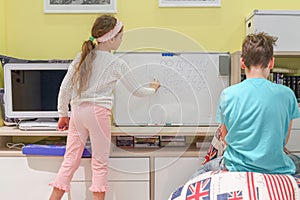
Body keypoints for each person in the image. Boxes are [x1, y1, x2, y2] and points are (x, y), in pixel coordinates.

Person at [49, 15, 160, 200]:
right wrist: (153, 89)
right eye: (120, 37)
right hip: (98, 113)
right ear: (110, 38)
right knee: (99, 163)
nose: (121, 41)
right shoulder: (116, 63)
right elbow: (137, 91)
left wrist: (63, 114)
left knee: (70, 160)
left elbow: (65, 87)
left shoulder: (81, 57)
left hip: (77, 112)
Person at [191, 32, 300, 178]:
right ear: (271, 63)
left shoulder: (228, 95)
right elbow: (284, 140)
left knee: (203, 171)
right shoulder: (287, 94)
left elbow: (225, 137)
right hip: (277, 166)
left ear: (242, 63)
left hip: (235, 165)